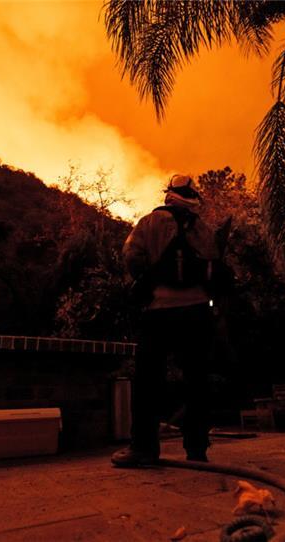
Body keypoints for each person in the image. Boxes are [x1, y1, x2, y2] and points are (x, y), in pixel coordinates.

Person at [112, 174, 222, 466]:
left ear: (169, 195)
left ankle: (143, 448)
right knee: (197, 380)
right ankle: (197, 450)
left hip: (159, 311)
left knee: (148, 380)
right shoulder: (203, 228)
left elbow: (132, 257)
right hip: (198, 312)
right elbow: (216, 265)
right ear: (191, 197)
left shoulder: (149, 223)